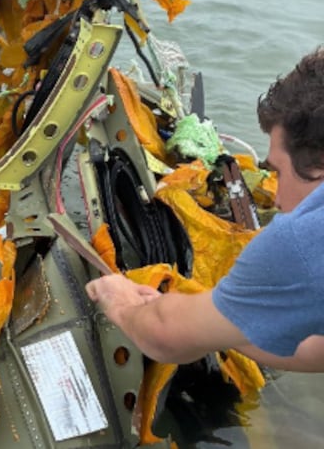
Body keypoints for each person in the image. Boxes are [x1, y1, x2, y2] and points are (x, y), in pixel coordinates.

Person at [86, 47, 324, 372]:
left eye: (279, 172)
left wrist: (123, 304)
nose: (278, 199)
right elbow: (316, 349)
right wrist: (220, 325)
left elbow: (163, 336)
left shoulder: (305, 239)